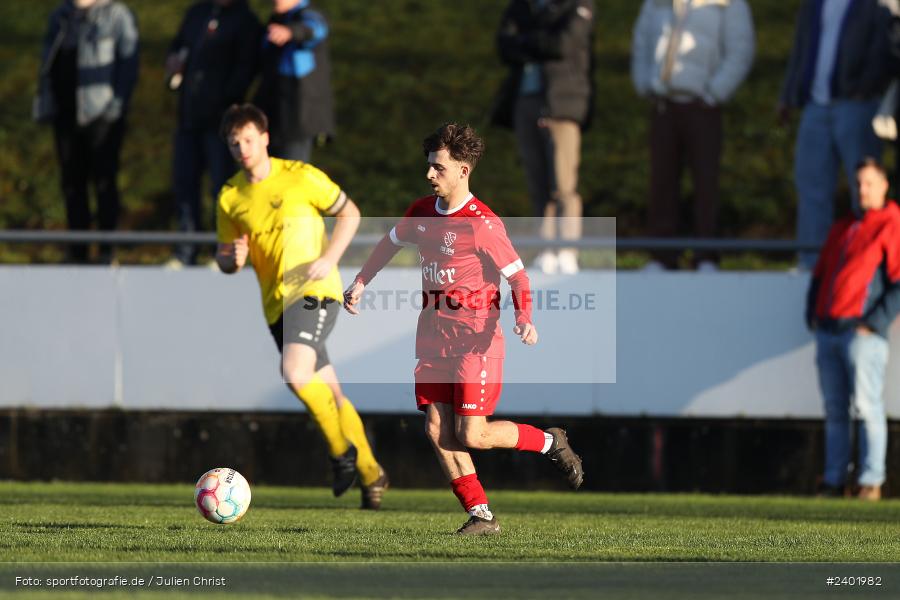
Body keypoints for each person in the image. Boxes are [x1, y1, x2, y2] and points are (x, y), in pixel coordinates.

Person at [343, 124, 584, 535]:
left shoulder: (483, 224)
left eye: (438, 167)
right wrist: (362, 281)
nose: (430, 175)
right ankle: (481, 515)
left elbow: (518, 278)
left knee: (472, 433)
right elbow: (389, 242)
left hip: (476, 342)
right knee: (437, 429)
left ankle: (549, 442)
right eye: (429, 167)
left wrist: (524, 317)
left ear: (463, 170)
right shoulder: (421, 213)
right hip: (434, 338)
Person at [215, 104, 387, 509]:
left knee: (294, 371)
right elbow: (225, 258)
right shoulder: (230, 197)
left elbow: (350, 213)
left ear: (265, 138)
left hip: (314, 290)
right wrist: (233, 260)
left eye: (249, 140)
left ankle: (339, 452)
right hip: (276, 306)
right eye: (234, 142)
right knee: (332, 395)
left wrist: (330, 258)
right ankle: (370, 474)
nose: (242, 148)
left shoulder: (300, 176)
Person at [631, 0, 754, 271]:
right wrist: (644, 84)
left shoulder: (728, 3)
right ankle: (662, 257)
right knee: (662, 181)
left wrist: (715, 93)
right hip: (664, 103)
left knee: (706, 183)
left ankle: (706, 256)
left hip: (702, 105)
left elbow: (740, 49)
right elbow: (641, 42)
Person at [806, 158, 900, 501]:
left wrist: (873, 323)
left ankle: (871, 480)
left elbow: (898, 282)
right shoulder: (844, 227)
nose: (863, 190)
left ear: (884, 185)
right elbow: (821, 274)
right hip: (829, 329)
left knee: (866, 406)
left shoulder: (891, 223)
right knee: (834, 409)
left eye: (870, 183)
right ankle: (834, 480)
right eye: (859, 183)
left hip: (862, 334)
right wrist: (813, 312)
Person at [780, 0, 895, 269]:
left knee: (866, 189)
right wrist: (789, 94)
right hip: (815, 106)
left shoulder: (876, 4)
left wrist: (864, 88)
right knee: (811, 188)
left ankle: (868, 264)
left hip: (857, 105)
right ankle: (812, 263)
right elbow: (801, 47)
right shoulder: (814, 4)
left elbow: (884, 48)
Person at [491, 0, 595, 274]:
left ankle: (568, 249)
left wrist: (526, 42)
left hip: (561, 104)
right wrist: (538, 42)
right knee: (537, 183)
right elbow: (504, 46)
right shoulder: (523, 7)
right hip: (524, 101)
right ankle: (546, 247)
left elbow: (562, 44)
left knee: (563, 185)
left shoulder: (577, 4)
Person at [33, 0, 139, 264]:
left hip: (101, 115)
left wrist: (116, 106)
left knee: (104, 182)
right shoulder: (60, 15)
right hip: (66, 114)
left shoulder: (116, 15)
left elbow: (129, 63)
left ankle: (107, 250)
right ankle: (77, 251)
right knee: (72, 183)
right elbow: (48, 62)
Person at [165, 0, 261, 267]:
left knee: (223, 188)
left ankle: (222, 250)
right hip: (188, 117)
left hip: (221, 123)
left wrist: (225, 104)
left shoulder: (246, 21)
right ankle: (185, 251)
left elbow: (246, 69)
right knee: (185, 184)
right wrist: (173, 60)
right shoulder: (197, 12)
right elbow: (179, 45)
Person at [253, 0, 335, 162]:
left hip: (297, 119)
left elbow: (316, 28)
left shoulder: (309, 14)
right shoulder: (275, 19)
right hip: (272, 117)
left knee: (292, 175)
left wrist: (290, 32)